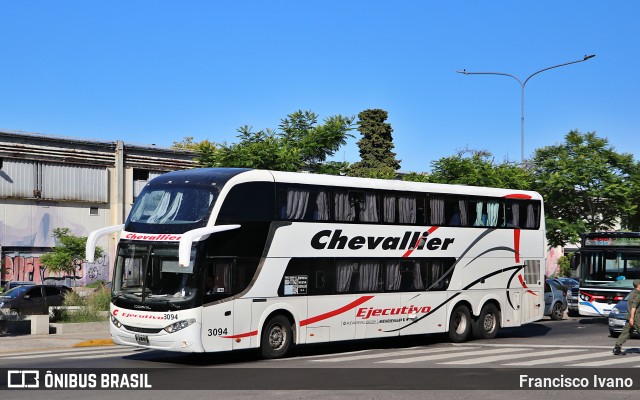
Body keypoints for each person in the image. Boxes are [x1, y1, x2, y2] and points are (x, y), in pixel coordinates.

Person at [612, 279, 640, 355]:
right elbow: (634, 307)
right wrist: (632, 318)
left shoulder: (632, 293)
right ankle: (617, 348)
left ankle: (617, 348)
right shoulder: (637, 294)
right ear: (638, 285)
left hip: (630, 316)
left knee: (625, 332)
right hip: (636, 317)